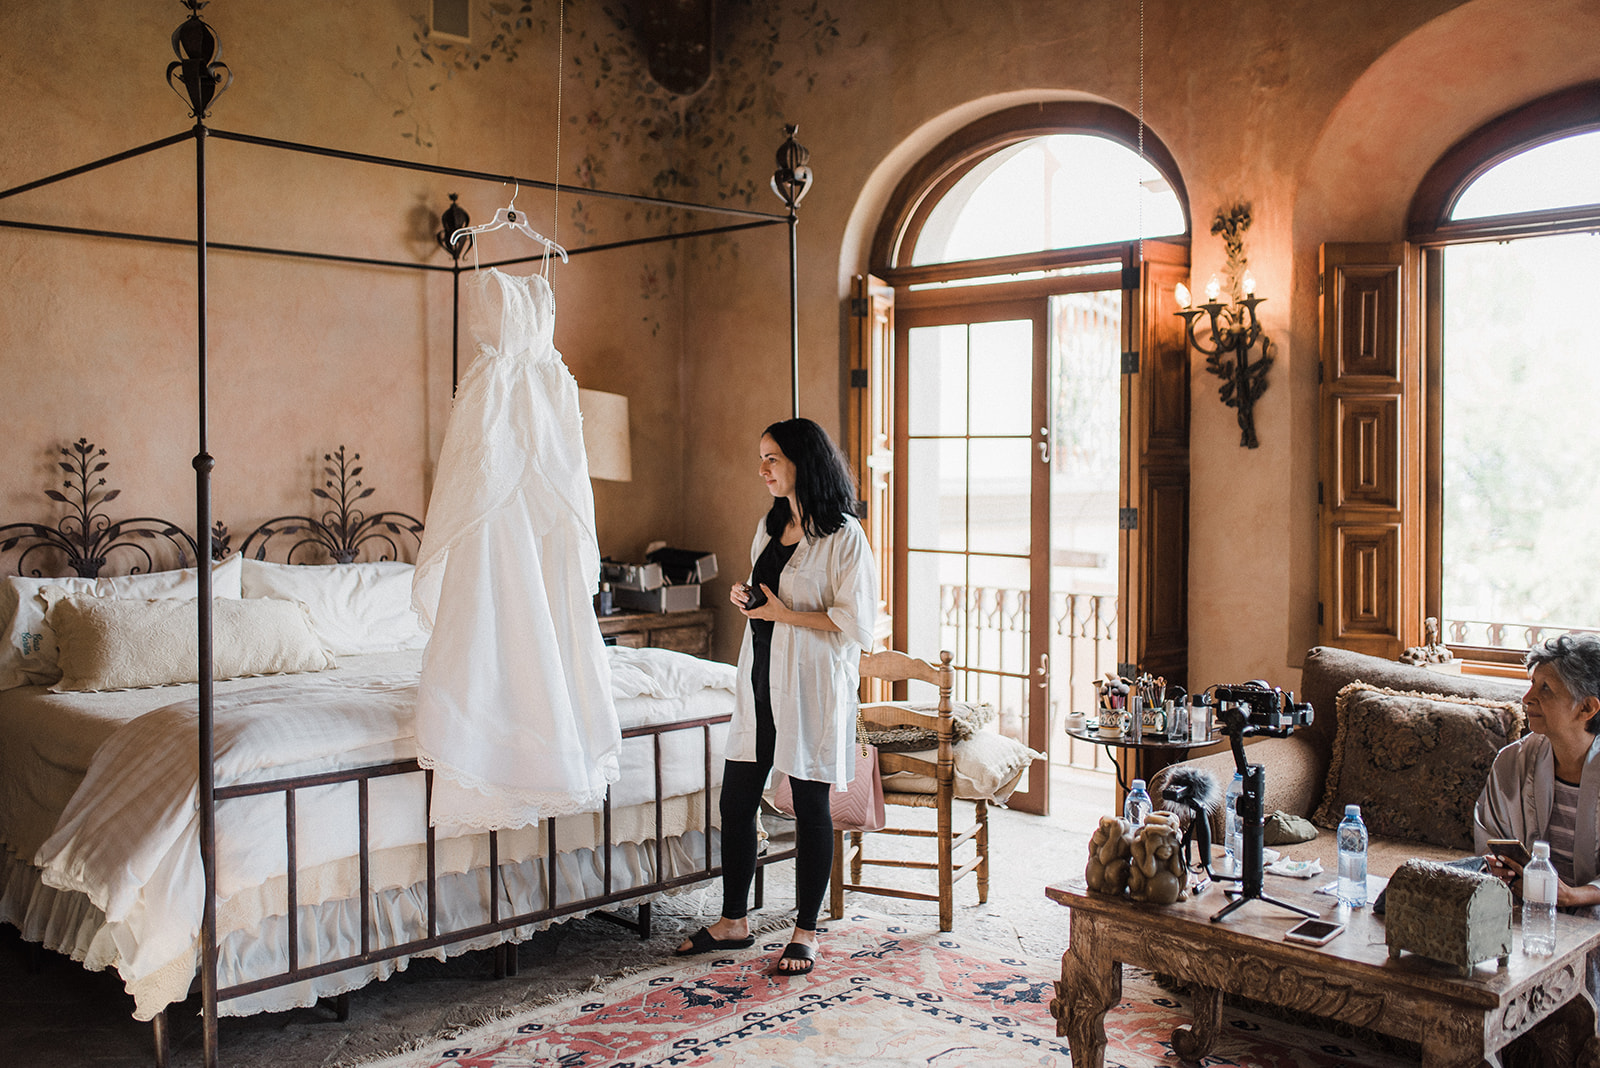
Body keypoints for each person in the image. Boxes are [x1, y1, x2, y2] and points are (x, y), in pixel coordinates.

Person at [676, 418, 877, 975]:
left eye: (772, 458)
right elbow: (765, 594)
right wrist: (747, 597)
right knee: (736, 800)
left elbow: (856, 623)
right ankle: (734, 921)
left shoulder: (843, 536)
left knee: (812, 806)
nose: (761, 469)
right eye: (760, 457)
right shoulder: (769, 525)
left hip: (812, 687)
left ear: (801, 462)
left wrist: (783, 614)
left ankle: (806, 931)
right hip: (760, 677)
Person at [1474, 633, 1600, 1041]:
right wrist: (1500, 868)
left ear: (1587, 708)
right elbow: (1490, 835)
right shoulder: (1516, 759)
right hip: (1525, 901)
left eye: (1545, 689)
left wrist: (1574, 896)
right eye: (1531, 684)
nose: (1528, 697)